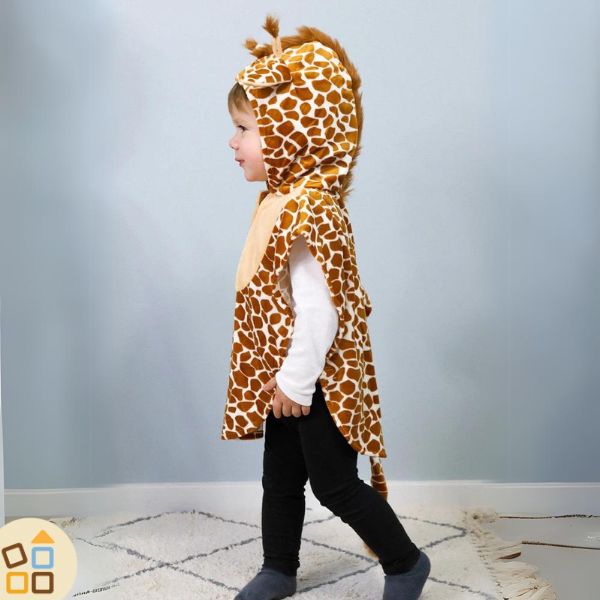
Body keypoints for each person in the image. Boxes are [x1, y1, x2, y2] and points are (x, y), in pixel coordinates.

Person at [221, 14, 431, 600]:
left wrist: (295, 381)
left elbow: (322, 310)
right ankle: (278, 567)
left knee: (334, 483)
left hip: (318, 379)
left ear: (292, 131)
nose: (234, 142)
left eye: (244, 128)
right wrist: (282, 376)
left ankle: (405, 562)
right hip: (289, 374)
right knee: (280, 477)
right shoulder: (281, 200)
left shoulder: (309, 211)